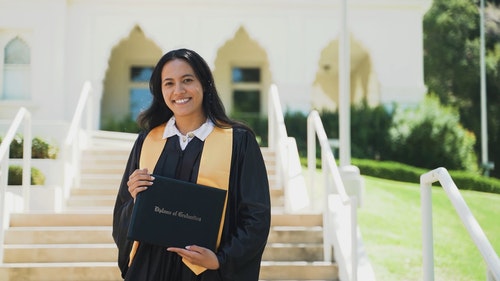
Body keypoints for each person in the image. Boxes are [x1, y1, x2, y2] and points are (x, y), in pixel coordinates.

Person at [112, 48, 271, 281]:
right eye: (169, 83)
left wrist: (222, 260)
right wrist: (135, 195)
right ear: (160, 91)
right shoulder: (147, 140)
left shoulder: (238, 142)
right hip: (150, 269)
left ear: (205, 84)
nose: (179, 91)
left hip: (207, 272)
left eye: (187, 80)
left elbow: (256, 217)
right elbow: (122, 211)